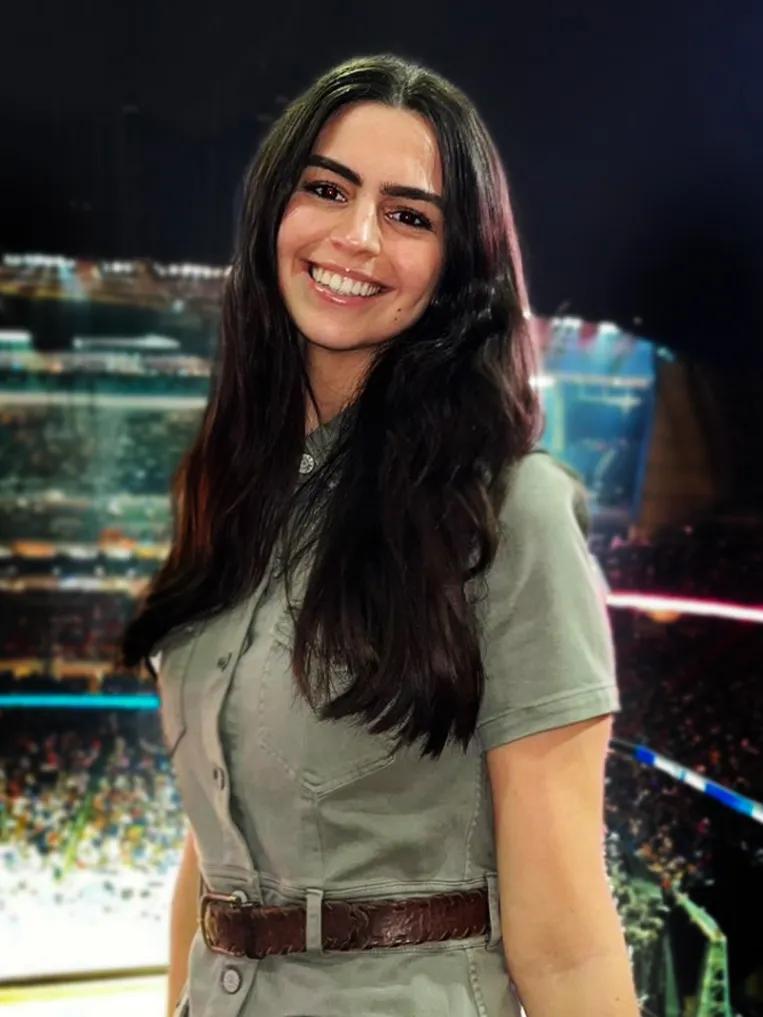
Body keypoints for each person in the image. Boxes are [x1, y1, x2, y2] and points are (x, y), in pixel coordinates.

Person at [122, 53, 640, 1017]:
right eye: (326, 189)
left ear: (457, 267)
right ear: (274, 209)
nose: (355, 237)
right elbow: (213, 855)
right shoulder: (228, 491)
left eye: (409, 215)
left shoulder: (508, 511)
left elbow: (566, 940)